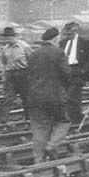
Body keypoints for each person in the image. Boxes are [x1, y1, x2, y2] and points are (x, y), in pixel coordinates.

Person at [28, 28, 72, 163]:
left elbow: (28, 75)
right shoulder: (59, 53)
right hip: (55, 95)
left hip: (35, 96)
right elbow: (67, 74)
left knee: (39, 127)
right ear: (55, 39)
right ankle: (51, 146)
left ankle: (38, 160)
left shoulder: (33, 54)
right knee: (63, 122)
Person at [59, 21, 89, 125]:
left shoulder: (85, 43)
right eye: (66, 34)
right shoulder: (63, 43)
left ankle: (74, 119)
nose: (68, 36)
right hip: (65, 71)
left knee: (73, 96)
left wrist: (84, 71)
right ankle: (72, 117)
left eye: (70, 34)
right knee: (66, 96)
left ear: (75, 32)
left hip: (77, 71)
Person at [0, 26, 31, 126]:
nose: (7, 40)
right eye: (6, 38)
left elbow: (32, 60)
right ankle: (2, 120)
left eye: (9, 38)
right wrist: (4, 76)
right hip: (10, 75)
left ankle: (29, 118)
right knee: (8, 98)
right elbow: (4, 63)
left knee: (26, 97)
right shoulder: (5, 49)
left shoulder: (24, 46)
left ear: (14, 37)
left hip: (23, 74)